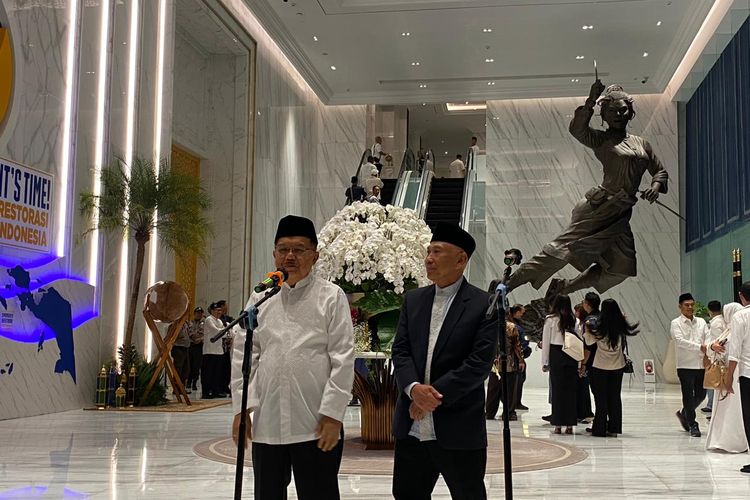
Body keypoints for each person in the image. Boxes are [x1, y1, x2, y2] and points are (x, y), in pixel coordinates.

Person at [505, 80, 669, 297]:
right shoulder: (601, 139)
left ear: (630, 112)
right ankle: (506, 286)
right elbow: (577, 129)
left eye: (623, 110)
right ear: (604, 115)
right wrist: (591, 100)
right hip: (599, 206)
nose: (618, 115)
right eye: (612, 111)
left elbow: (660, 171)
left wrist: (655, 187)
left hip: (621, 212)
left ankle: (564, 288)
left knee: (622, 269)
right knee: (560, 251)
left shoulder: (642, 143)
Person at [230, 215, 354, 499]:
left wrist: (333, 415)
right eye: (283, 249)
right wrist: (241, 408)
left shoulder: (330, 296)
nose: (290, 256)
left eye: (299, 249)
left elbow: (343, 357)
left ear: (315, 255)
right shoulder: (260, 296)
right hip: (268, 423)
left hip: (315, 423)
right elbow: (244, 354)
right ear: (274, 254)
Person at [391, 223, 497, 500]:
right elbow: (400, 351)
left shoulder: (483, 304)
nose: (428, 259)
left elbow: (478, 364)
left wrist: (430, 397)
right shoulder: (413, 300)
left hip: (458, 426)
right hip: (412, 428)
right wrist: (413, 389)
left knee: (468, 494)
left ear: (461, 259)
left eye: (437, 252)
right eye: (428, 252)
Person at [583, 298, 638, 437]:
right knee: (615, 397)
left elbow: (589, 341)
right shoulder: (621, 326)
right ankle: (614, 428)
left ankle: (599, 429)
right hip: (617, 365)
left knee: (601, 398)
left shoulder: (598, 326)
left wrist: (586, 330)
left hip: (600, 365)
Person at [705, 302, 747, 453]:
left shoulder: (733, 330)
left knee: (732, 408)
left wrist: (714, 348)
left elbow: (729, 350)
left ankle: (731, 440)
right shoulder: (730, 329)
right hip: (733, 372)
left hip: (731, 373)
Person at [671, 292, 709, 437]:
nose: (690, 307)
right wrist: (699, 347)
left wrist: (706, 354)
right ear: (680, 306)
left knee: (701, 394)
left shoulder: (701, 322)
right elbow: (679, 341)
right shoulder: (676, 323)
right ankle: (693, 424)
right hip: (685, 365)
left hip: (700, 364)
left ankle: (684, 413)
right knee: (688, 395)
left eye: (692, 304)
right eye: (687, 305)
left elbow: (708, 337)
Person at [543, 294, 579, 434]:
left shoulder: (550, 319)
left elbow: (546, 342)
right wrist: (579, 362)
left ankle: (558, 425)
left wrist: (545, 361)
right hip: (571, 354)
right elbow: (579, 339)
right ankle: (570, 425)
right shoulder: (574, 319)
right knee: (570, 390)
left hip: (556, 353)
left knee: (557, 390)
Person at [725, 281, 750, 473]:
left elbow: (734, 351)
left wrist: (728, 376)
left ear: (741, 296)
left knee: (749, 417)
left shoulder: (740, 316)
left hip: (748, 373)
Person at [485, 318, 524, 421]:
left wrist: (520, 360)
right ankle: (506, 413)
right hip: (504, 363)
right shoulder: (509, 327)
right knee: (505, 390)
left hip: (500, 363)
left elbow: (516, 345)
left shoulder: (491, 326)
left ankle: (494, 412)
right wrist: (520, 360)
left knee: (495, 389)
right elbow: (517, 345)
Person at [702, 300, 725, 414]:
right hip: (720, 356)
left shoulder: (716, 323)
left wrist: (710, 352)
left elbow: (717, 341)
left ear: (709, 310)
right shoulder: (723, 321)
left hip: (716, 356)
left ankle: (711, 405)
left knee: (713, 380)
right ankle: (711, 404)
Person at [201, 303, 227, 399]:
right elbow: (217, 331)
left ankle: (216, 391)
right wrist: (223, 330)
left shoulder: (219, 321)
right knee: (208, 373)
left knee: (217, 373)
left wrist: (223, 330)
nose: (219, 312)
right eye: (217, 310)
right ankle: (206, 392)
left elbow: (224, 333)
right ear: (212, 311)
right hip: (209, 351)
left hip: (218, 350)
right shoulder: (209, 319)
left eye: (220, 310)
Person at [574, 303, 594, 423]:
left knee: (583, 388)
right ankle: (581, 412)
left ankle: (586, 413)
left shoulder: (584, 326)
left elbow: (586, 345)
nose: (575, 314)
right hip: (581, 358)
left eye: (576, 312)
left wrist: (582, 363)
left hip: (584, 359)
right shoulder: (580, 325)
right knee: (580, 388)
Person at [511, 304, 531, 410]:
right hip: (517, 357)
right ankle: (515, 403)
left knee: (519, 380)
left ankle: (516, 402)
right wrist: (520, 359)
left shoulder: (516, 324)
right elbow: (518, 344)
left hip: (518, 356)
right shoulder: (514, 327)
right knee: (517, 381)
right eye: (522, 313)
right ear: (517, 312)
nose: (523, 315)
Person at [172, 310, 192, 394]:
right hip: (178, 348)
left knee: (186, 369)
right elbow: (176, 335)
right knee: (178, 368)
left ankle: (182, 386)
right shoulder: (176, 324)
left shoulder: (186, 324)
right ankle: (176, 388)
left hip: (186, 348)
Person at [186, 307, 204, 391]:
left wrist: (197, 338)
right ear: (194, 314)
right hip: (191, 345)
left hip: (199, 346)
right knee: (189, 364)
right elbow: (190, 333)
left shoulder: (204, 323)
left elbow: (202, 333)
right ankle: (188, 382)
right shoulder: (190, 323)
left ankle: (194, 383)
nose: (198, 314)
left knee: (197, 365)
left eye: (200, 313)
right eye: (197, 313)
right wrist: (195, 337)